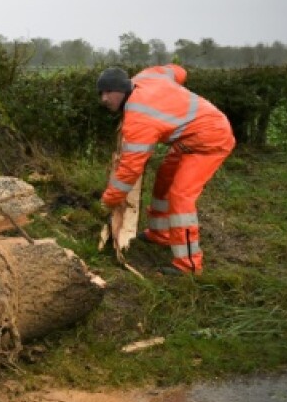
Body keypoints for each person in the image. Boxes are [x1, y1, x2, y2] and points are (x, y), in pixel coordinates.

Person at [97, 63, 235, 275]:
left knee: (180, 196)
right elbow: (178, 71)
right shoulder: (147, 77)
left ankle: (189, 264)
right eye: (101, 93)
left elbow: (130, 169)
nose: (103, 99)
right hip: (190, 139)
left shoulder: (138, 119)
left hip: (210, 141)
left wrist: (110, 199)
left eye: (108, 92)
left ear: (122, 89)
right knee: (163, 181)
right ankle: (160, 234)